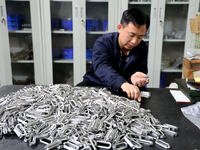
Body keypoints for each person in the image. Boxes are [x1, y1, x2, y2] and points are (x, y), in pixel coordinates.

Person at [77, 8, 150, 102]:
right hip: (95, 86)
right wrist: (122, 83)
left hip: (123, 91)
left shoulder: (142, 46)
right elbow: (102, 67)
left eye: (140, 37)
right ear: (120, 28)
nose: (135, 41)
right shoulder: (103, 42)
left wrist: (135, 77)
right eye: (131, 35)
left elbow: (141, 69)